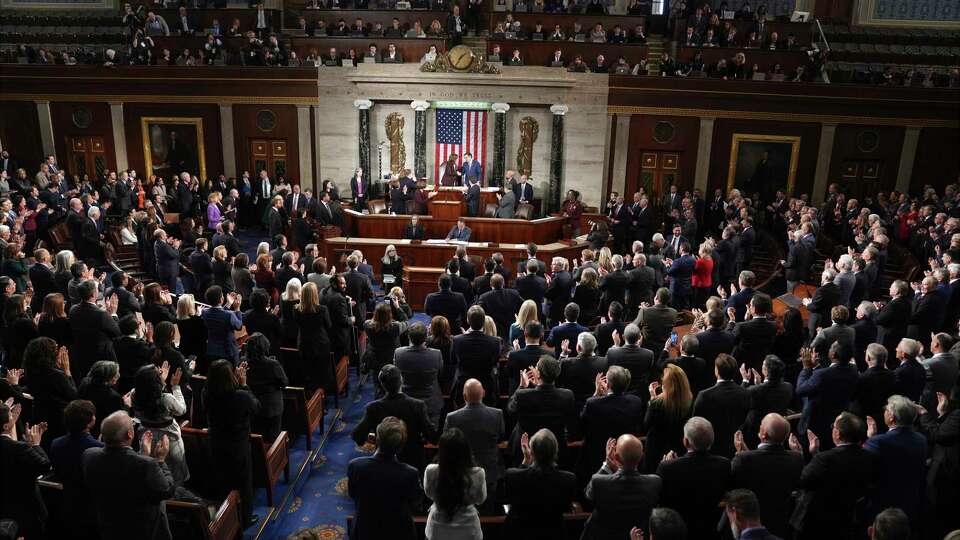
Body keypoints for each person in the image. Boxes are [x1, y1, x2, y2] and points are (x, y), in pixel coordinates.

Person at [82, 410, 175, 540]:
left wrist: (143, 456)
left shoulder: (89, 455)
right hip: (143, 531)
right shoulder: (147, 464)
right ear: (130, 434)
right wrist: (160, 460)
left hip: (108, 528)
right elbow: (167, 490)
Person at [794, 412, 877, 540]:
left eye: (834, 426)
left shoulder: (825, 458)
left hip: (817, 524)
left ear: (838, 434)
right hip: (847, 521)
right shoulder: (869, 457)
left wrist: (798, 455)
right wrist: (816, 453)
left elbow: (802, 481)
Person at [204, 359, 261, 527]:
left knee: (223, 480)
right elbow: (256, 407)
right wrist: (243, 385)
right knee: (244, 483)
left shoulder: (206, 393)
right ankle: (245, 519)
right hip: (238, 447)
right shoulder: (240, 395)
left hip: (216, 444)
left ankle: (226, 517)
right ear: (230, 377)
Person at [347, 416, 423, 540]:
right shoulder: (410, 474)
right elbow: (416, 504)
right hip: (398, 532)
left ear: (376, 439)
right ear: (401, 446)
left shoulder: (355, 466)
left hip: (364, 530)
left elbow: (352, 494)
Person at [731, 413, 804, 539]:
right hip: (781, 521)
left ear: (763, 434)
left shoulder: (743, 459)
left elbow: (736, 486)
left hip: (751, 522)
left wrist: (741, 453)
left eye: (761, 425)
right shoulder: (797, 458)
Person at [657, 417, 731, 539]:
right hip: (712, 531)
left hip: (678, 532)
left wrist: (668, 466)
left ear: (685, 441)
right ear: (712, 440)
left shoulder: (667, 468)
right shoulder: (724, 465)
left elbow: (662, 500)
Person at [351, 365, 436, 471]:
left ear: (382, 385)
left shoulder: (373, 408)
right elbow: (433, 437)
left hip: (384, 464)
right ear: (401, 380)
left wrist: (374, 437)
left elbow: (357, 436)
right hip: (414, 463)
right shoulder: (418, 405)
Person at [582, 434, 662, 539]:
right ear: (642, 456)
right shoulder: (654, 482)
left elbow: (587, 497)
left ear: (616, 457)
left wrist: (607, 465)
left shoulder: (598, 481)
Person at [863, 395, 927, 525]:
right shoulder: (921, 439)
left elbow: (864, 468)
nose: (884, 411)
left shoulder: (878, 442)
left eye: (886, 409)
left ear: (891, 417)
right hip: (911, 502)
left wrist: (871, 439)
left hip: (883, 506)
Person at [444, 379, 505, 507]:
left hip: (461, 474)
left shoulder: (452, 418)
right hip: (489, 474)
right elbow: (501, 437)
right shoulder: (497, 415)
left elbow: (447, 443)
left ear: (464, 396)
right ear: (483, 393)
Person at [49, 399, 103, 540]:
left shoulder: (56, 444)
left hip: (67, 503)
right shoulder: (99, 448)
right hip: (93, 507)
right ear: (91, 421)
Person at [423, 427, 486, 539]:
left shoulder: (431, 470)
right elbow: (480, 500)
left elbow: (429, 494)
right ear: (465, 450)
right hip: (468, 528)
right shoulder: (478, 473)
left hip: (437, 528)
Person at [131, 362, 188, 486]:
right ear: (155, 381)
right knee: (175, 474)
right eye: (159, 374)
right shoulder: (166, 399)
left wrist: (160, 381)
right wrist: (175, 387)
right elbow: (182, 410)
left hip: (146, 437)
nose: (162, 374)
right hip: (169, 440)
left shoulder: (135, 394)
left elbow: (150, 394)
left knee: (151, 471)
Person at [0, 399, 50, 540]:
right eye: (11, 417)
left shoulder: (17, 447)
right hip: (26, 510)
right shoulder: (19, 448)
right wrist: (35, 444)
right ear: (5, 425)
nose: (14, 418)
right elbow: (44, 465)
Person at [796, 343, 859, 450]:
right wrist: (816, 367)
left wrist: (806, 368)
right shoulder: (853, 370)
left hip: (814, 426)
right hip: (836, 423)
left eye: (830, 348)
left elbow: (801, 390)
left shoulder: (821, 375)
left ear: (833, 354)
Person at [644, 364, 693, 472]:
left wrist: (652, 399)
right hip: (678, 447)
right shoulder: (689, 401)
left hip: (656, 449)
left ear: (667, 385)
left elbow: (646, 424)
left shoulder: (656, 403)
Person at [451, 306, 502, 406]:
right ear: (484, 321)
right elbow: (495, 362)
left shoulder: (457, 340)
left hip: (463, 385)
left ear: (467, 321)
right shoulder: (495, 342)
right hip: (486, 386)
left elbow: (453, 361)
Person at [243, 332, 288, 444]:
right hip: (271, 407)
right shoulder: (272, 364)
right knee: (274, 440)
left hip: (252, 405)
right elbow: (284, 383)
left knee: (257, 438)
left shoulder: (243, 362)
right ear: (265, 346)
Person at [296, 282, 333, 395]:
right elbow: (329, 326)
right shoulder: (322, 309)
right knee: (321, 373)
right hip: (320, 344)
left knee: (308, 371)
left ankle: (310, 395)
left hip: (304, 343)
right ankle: (321, 398)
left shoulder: (296, 310)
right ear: (315, 294)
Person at [201, 286, 243, 368]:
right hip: (229, 352)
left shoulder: (204, 312)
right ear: (221, 300)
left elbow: (218, 313)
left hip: (212, 351)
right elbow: (239, 326)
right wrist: (237, 309)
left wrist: (228, 304)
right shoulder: (230, 315)